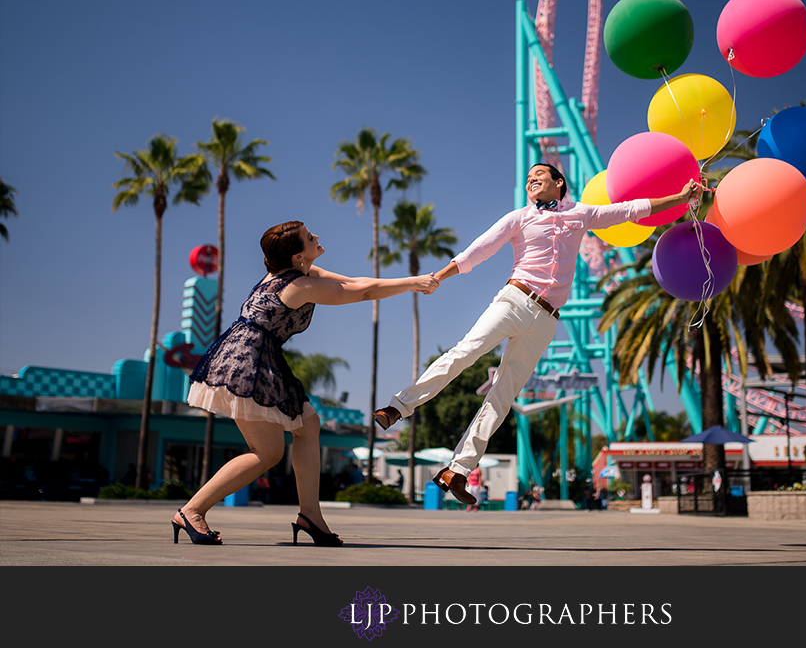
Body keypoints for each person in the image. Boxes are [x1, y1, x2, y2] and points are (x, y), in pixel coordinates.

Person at [372, 163, 698, 503]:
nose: (531, 179)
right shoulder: (519, 218)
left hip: (546, 321)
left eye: (538, 175)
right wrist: (439, 276)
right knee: (464, 352)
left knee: (503, 396)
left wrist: (680, 197)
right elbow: (479, 250)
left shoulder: (581, 215)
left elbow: (630, 210)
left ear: (559, 183)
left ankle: (458, 470)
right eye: (528, 177)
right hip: (514, 300)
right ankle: (398, 407)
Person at [171, 221, 438, 546]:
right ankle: (192, 510)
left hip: (253, 354)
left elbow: (357, 281)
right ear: (298, 256)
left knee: (308, 425)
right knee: (267, 452)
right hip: (249, 359)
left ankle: (310, 515)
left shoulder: (299, 273)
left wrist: (413, 281)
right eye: (311, 238)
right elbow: (363, 292)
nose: (318, 238)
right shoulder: (299, 285)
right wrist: (414, 283)